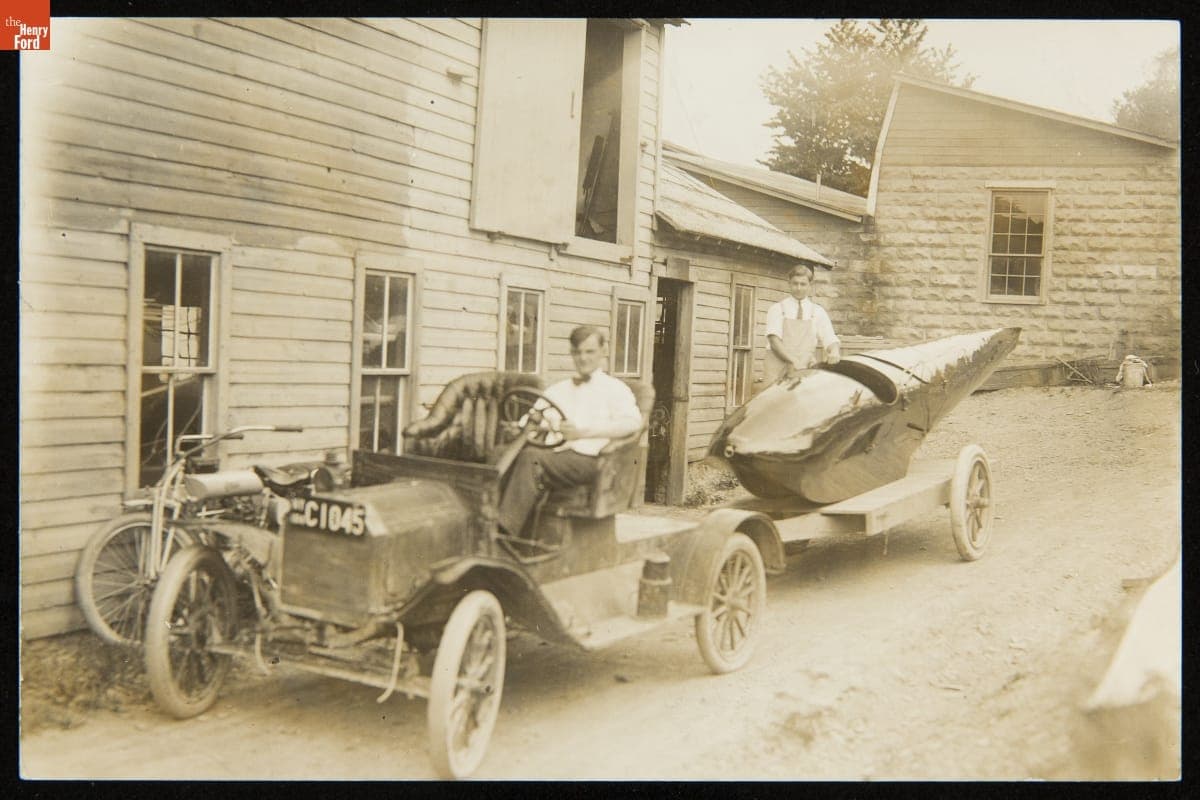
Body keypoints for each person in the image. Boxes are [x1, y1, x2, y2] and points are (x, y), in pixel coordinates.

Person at [497, 325, 643, 538]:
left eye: (589, 352)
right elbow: (536, 417)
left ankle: (504, 531)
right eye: (577, 352)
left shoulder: (615, 389)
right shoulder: (559, 389)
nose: (583, 358)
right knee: (501, 454)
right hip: (556, 456)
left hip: (592, 461)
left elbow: (632, 424)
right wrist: (519, 426)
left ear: (603, 351)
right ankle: (493, 520)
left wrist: (583, 433)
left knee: (531, 458)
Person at [763, 262, 841, 383]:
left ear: (810, 285)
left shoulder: (817, 312)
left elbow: (829, 338)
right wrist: (792, 361)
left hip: (803, 371)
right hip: (777, 371)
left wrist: (834, 351)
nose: (798, 288)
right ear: (789, 284)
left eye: (803, 284)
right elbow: (774, 341)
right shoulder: (777, 309)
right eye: (795, 284)